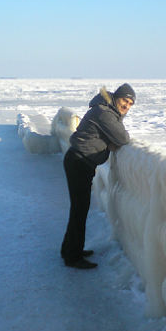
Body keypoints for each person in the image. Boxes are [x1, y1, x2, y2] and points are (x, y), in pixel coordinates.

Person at [60, 83, 136, 269]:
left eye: (130, 104)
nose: (126, 106)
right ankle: (72, 256)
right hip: (79, 162)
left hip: (79, 161)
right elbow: (123, 138)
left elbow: (115, 135)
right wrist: (111, 141)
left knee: (79, 209)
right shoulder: (105, 113)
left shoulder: (105, 111)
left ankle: (69, 249)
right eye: (125, 100)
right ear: (116, 97)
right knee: (79, 209)